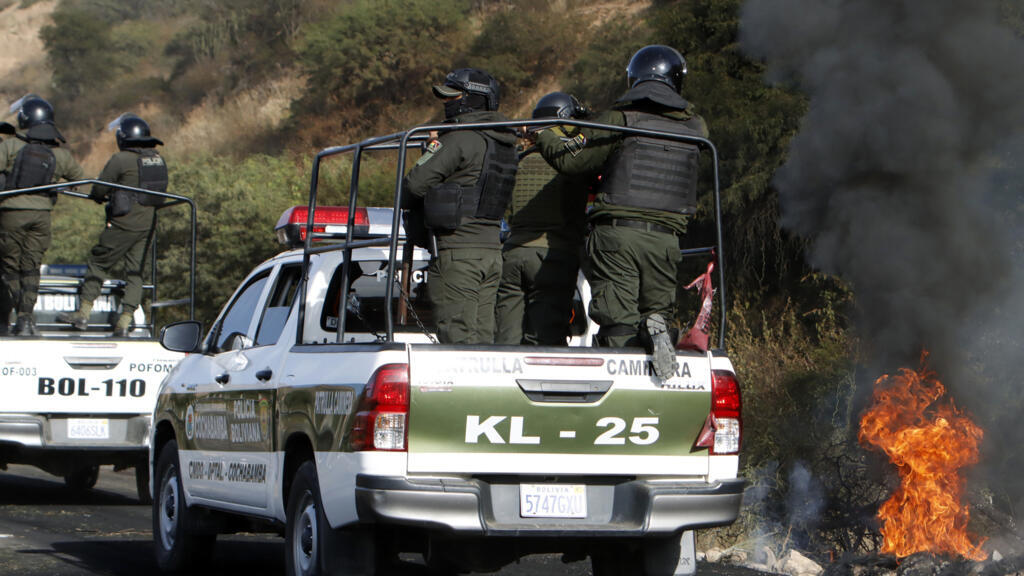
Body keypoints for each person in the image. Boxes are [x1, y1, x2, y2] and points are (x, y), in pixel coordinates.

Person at [536, 45, 708, 379]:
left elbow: (570, 159)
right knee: (656, 308)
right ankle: (659, 330)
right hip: (666, 240)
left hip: (618, 236)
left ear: (635, 78)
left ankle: (624, 382)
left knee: (618, 319)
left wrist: (545, 131)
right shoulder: (696, 128)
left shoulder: (620, 120)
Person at [403, 68, 518, 344]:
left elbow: (411, 188)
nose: (447, 103)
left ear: (472, 100)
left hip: (459, 252)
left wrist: (428, 152)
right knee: (482, 342)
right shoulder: (505, 142)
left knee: (458, 341)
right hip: (491, 252)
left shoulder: (459, 138)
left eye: (453, 96)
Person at [57, 114, 168, 337]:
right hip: (148, 224)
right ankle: (124, 322)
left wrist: (98, 197)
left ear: (123, 137)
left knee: (98, 263)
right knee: (135, 273)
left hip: (123, 222)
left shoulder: (121, 159)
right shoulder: (157, 159)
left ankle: (83, 314)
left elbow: (100, 189)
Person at [495, 92, 589, 345]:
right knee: (545, 344)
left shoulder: (518, 160)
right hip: (552, 257)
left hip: (513, 255)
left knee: (506, 344)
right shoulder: (574, 164)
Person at [0, 95, 85, 336]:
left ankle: (22, 318)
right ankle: (27, 318)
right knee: (31, 268)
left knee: (11, 269)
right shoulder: (60, 154)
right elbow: (80, 180)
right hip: (42, 217)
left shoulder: (9, 146)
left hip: (11, 214)